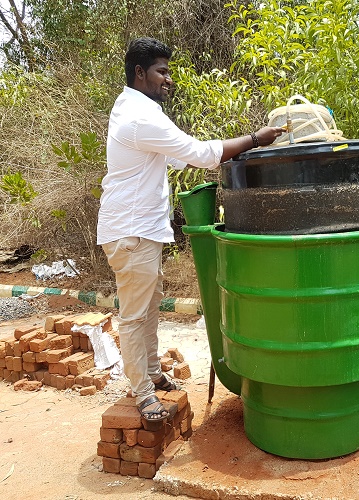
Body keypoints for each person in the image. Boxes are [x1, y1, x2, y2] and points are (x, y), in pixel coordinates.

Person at [97, 37, 284, 422]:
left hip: (139, 231)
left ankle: (151, 373)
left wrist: (230, 149)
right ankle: (142, 393)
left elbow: (180, 157)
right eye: (161, 72)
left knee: (149, 309)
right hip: (131, 233)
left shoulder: (136, 108)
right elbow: (198, 154)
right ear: (140, 73)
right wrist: (254, 139)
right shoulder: (141, 116)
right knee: (134, 316)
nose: (168, 79)